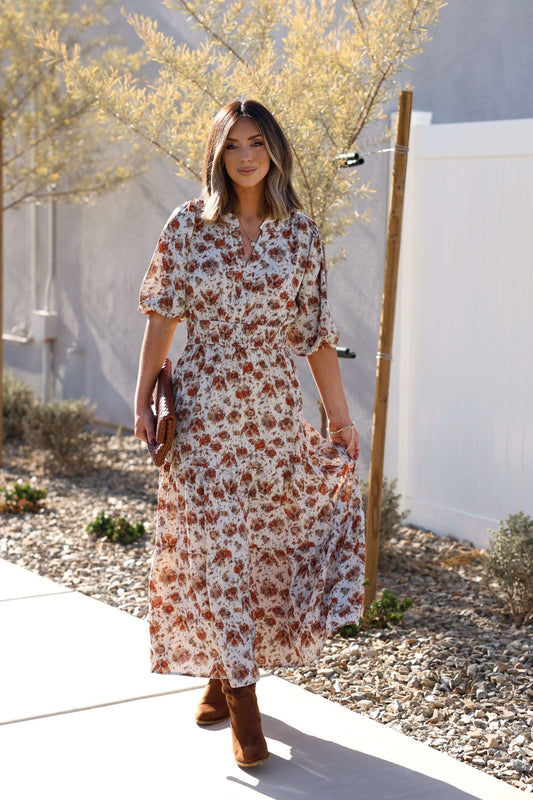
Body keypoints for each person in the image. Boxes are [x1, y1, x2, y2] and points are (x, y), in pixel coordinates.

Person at [134, 99, 365, 768]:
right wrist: (144, 395)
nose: (244, 155)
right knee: (218, 547)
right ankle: (243, 702)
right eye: (231, 144)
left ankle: (218, 670)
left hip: (269, 414)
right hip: (203, 413)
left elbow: (315, 338)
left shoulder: (299, 234)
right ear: (215, 154)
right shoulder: (187, 225)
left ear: (273, 151)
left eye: (256, 142)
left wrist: (340, 419)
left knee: (258, 549)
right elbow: (160, 316)